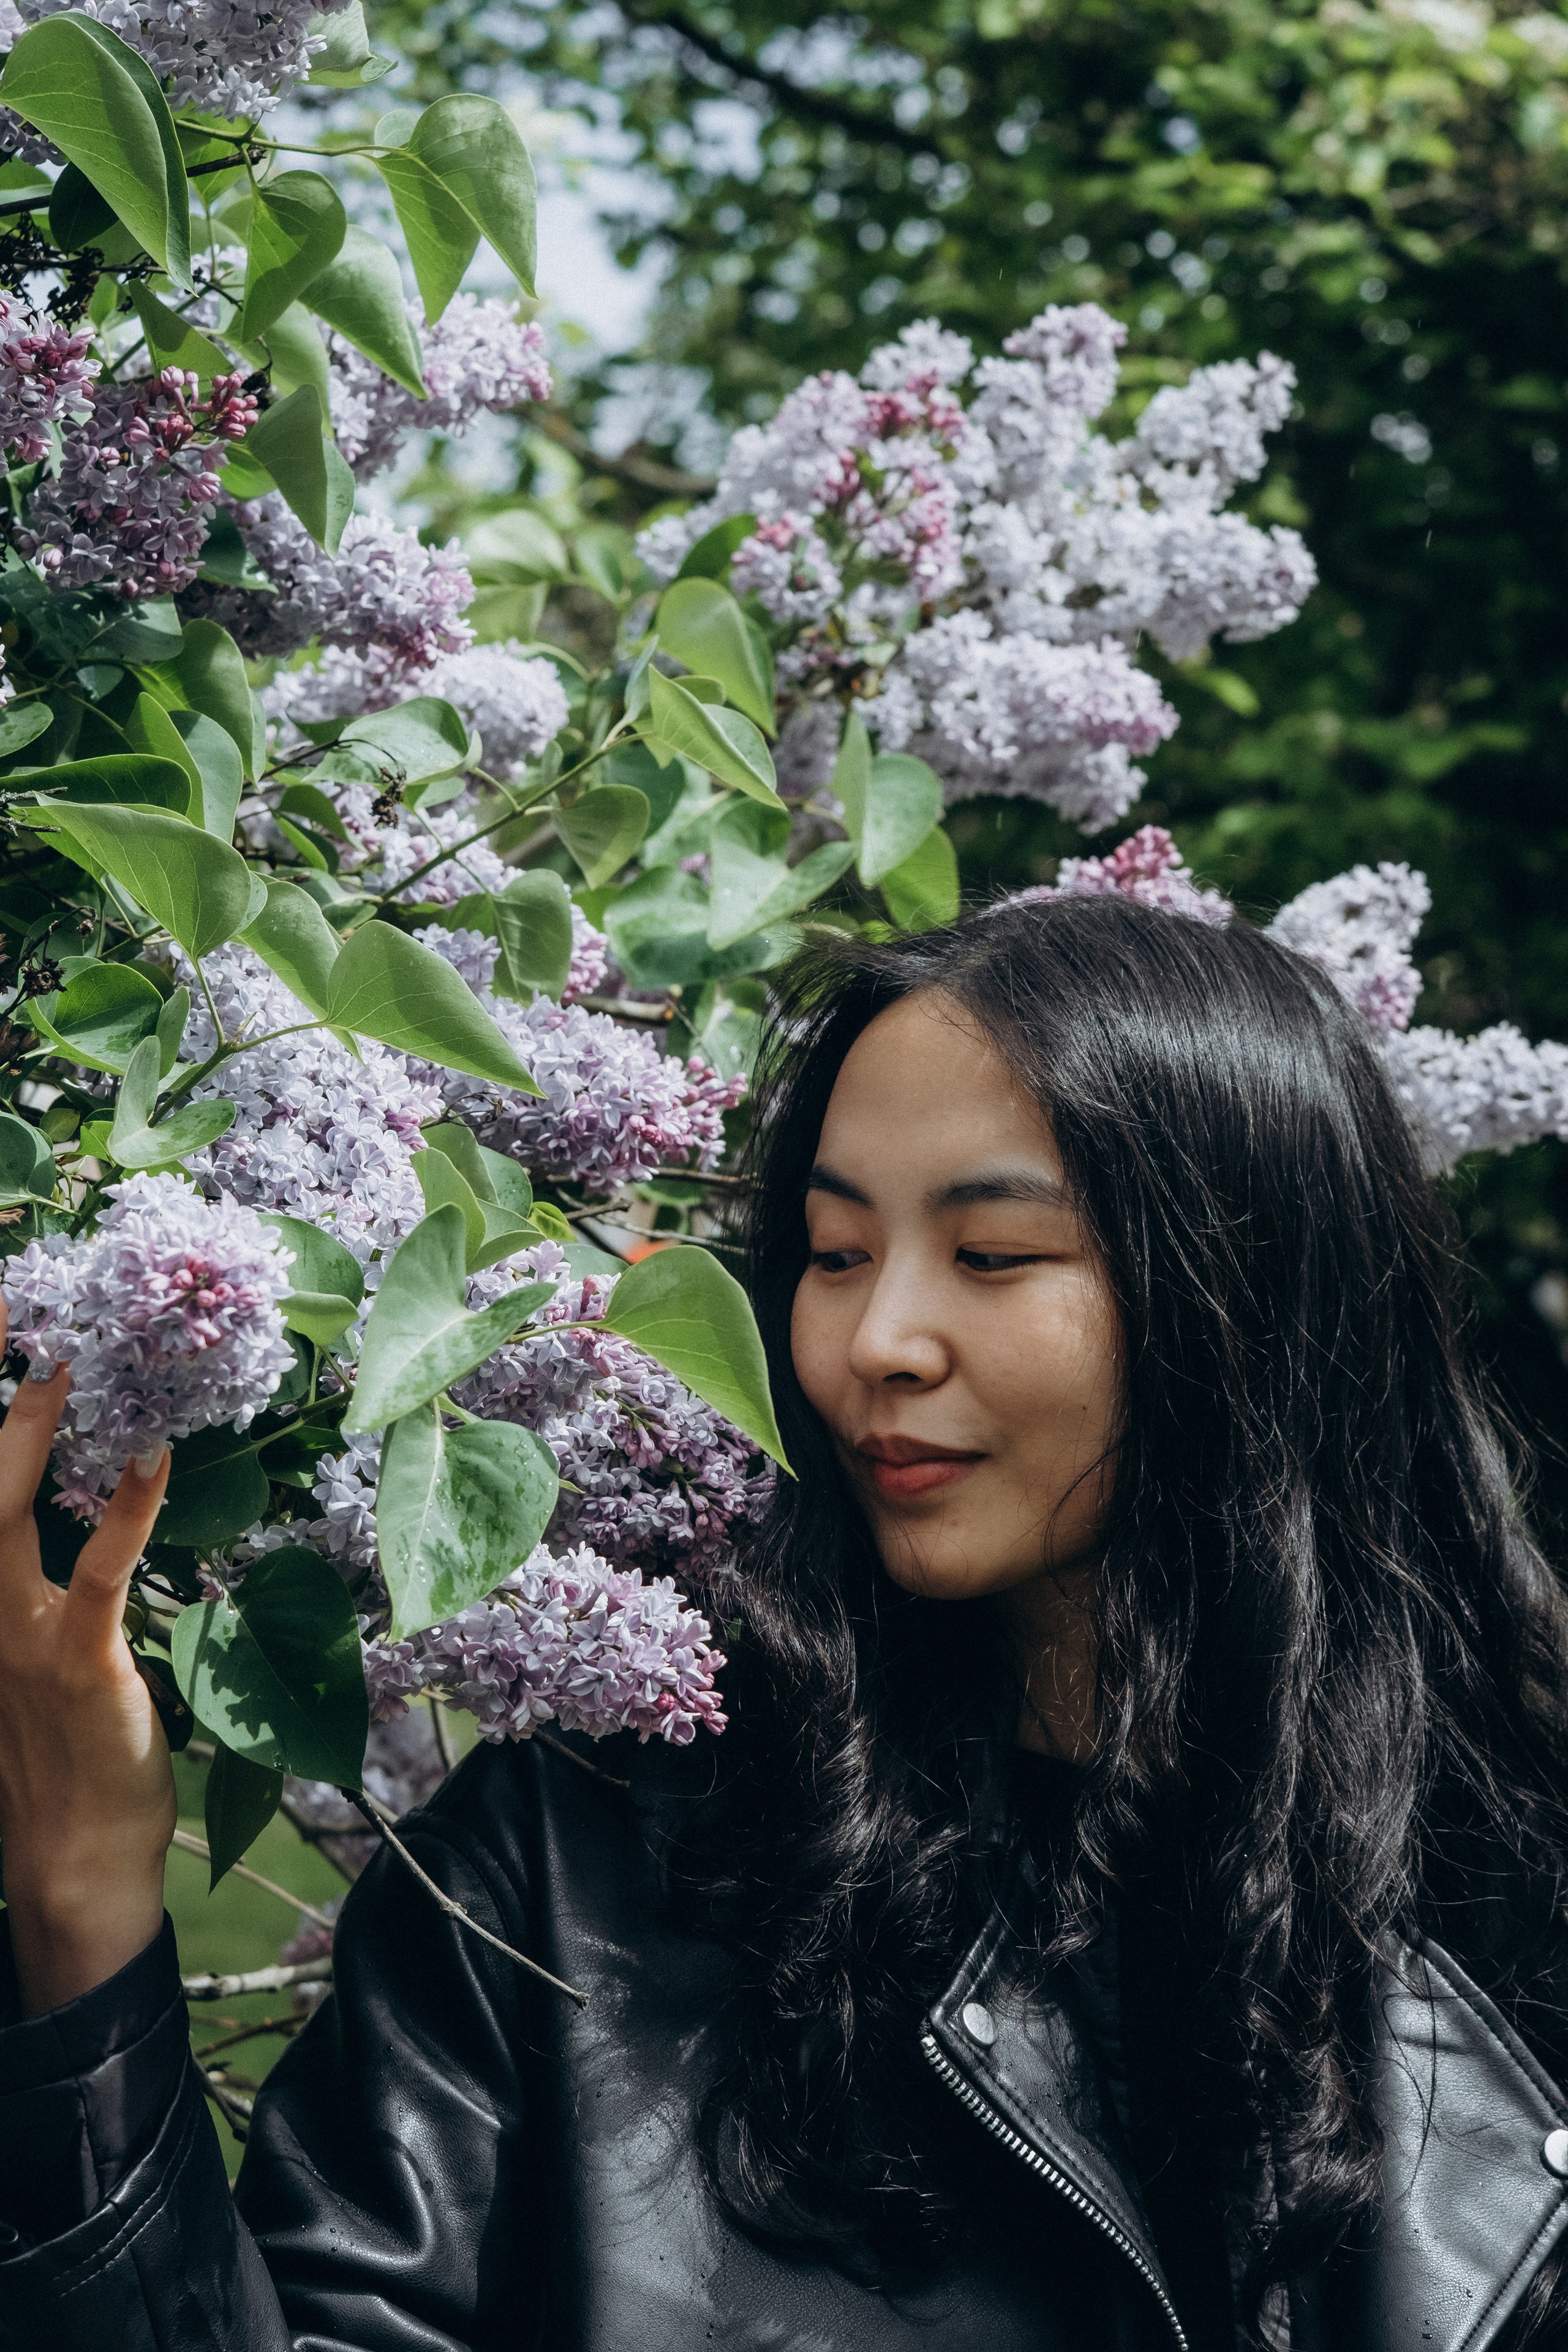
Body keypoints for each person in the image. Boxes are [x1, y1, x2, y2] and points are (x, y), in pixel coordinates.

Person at [1, 891, 1567, 2352]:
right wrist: (86, 1916)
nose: (871, 1337)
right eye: (831, 1253)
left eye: (990, 1256)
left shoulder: (1519, 1895)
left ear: (1248, 1298)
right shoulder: (571, 1880)